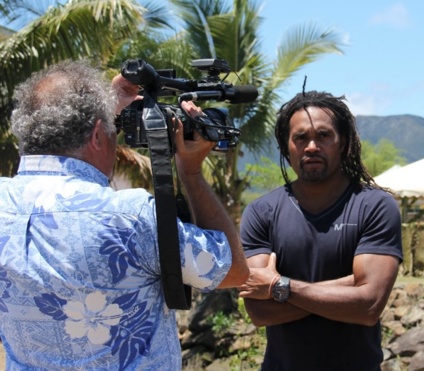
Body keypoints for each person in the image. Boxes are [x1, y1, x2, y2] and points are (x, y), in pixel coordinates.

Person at [0, 60, 248, 370]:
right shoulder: (131, 218)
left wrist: (107, 106)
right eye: (113, 129)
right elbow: (234, 270)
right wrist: (191, 172)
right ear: (96, 136)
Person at [237, 91, 403, 371]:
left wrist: (279, 287)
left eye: (323, 136)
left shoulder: (374, 206)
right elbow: (260, 311)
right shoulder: (261, 213)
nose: (311, 146)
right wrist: (349, 286)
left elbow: (368, 307)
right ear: (286, 146)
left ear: (344, 144)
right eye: (300, 138)